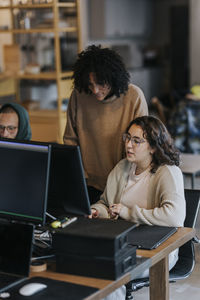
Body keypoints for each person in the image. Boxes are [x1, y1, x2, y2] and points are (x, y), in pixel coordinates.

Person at [90, 116, 186, 299]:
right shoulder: (123, 167)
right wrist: (97, 211)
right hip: (123, 243)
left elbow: (174, 216)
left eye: (137, 141)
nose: (128, 145)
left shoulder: (168, 172)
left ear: (153, 147)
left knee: (108, 273)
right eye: (127, 138)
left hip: (157, 250)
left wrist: (128, 212)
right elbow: (106, 203)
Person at [63, 45, 148, 204]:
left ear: (113, 78)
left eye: (100, 83)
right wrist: (80, 175)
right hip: (88, 183)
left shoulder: (133, 96)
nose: (95, 90)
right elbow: (70, 139)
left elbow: (140, 144)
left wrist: (126, 178)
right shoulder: (78, 96)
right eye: (90, 84)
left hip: (124, 182)